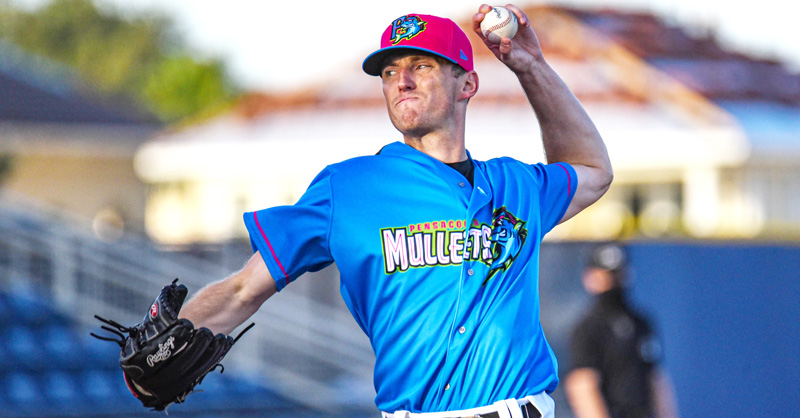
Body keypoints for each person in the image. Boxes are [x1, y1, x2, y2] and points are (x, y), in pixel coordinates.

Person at [178, 4, 613, 417]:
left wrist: (531, 67)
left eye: (421, 66)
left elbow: (592, 170)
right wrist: (162, 340)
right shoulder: (348, 188)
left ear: (467, 84)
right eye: (390, 72)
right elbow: (243, 288)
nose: (401, 80)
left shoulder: (517, 186)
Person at [565, 243, 680, 418]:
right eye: (607, 276)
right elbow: (582, 386)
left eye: (617, 275)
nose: (613, 282)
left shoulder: (640, 322)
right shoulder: (587, 329)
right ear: (590, 277)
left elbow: (655, 378)